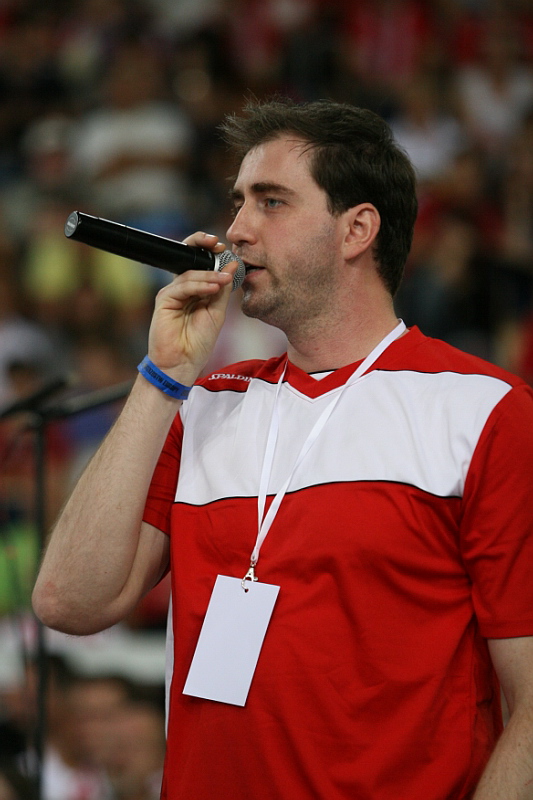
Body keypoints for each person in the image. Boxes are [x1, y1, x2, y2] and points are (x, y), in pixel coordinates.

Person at [32, 98, 533, 800]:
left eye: (271, 202)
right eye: (238, 201)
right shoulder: (204, 403)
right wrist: (163, 376)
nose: (236, 229)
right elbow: (67, 600)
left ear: (357, 229)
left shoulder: (483, 410)